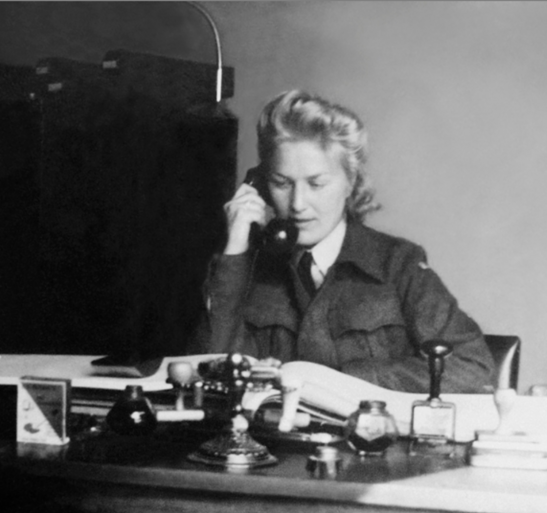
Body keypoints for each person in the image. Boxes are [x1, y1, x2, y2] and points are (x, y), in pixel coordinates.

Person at [190, 89, 494, 394]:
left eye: (316, 183)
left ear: (351, 182)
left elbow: (471, 366)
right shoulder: (249, 266)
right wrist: (235, 250)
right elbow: (204, 371)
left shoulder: (399, 263)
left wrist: (336, 380)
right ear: (262, 186)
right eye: (282, 183)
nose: (297, 204)